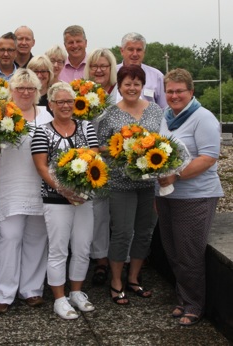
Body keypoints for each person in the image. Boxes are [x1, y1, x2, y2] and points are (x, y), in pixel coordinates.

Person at [156, 68, 223, 326]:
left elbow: (208, 157)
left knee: (189, 252)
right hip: (167, 196)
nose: (174, 95)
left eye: (179, 91)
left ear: (191, 92)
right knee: (172, 249)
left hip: (195, 196)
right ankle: (183, 299)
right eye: (170, 91)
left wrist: (176, 176)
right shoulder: (166, 117)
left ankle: (194, 305)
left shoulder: (203, 118)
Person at [31, 81, 98, 319]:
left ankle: (77, 293)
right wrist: (64, 191)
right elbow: (41, 167)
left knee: (82, 247)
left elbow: (95, 159)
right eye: (60, 102)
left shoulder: (87, 127)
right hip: (55, 200)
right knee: (58, 249)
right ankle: (59, 298)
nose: (66, 106)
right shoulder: (42, 131)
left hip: (84, 199)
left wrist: (80, 191)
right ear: (50, 105)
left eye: (69, 101)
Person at [97, 65, 162, 305]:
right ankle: (116, 281)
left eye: (136, 84)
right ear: (120, 86)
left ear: (142, 86)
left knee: (144, 232)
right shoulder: (110, 114)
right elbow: (100, 146)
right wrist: (123, 147)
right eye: (127, 84)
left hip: (148, 183)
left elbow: (163, 140)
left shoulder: (155, 110)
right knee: (122, 232)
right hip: (120, 182)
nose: (132, 88)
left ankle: (134, 278)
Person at [0, 68, 53, 314]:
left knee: (37, 238)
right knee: (10, 237)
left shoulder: (47, 115)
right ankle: (3, 293)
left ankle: (32, 290)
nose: (25, 92)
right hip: (10, 184)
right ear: (11, 91)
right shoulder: (0, 114)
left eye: (30, 88)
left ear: (38, 91)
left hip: (39, 184)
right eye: (20, 88)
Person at [82, 48, 118, 285]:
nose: (98, 70)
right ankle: (100, 260)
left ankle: (121, 261)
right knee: (98, 213)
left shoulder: (119, 93)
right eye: (94, 66)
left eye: (104, 66)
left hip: (117, 160)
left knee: (122, 217)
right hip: (90, 162)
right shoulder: (82, 93)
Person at [117, 32, 167, 109]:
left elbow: (165, 108)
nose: (135, 54)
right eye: (130, 49)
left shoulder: (157, 76)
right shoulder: (111, 74)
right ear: (122, 51)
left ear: (144, 52)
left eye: (139, 50)